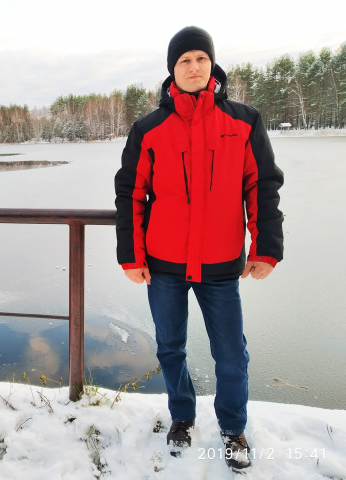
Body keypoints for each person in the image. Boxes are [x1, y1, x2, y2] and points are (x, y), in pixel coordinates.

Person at [114, 26, 284, 471]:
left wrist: (265, 246)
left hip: (222, 264)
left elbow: (261, 185)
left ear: (212, 66)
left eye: (200, 59)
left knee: (231, 354)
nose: (193, 67)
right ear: (172, 69)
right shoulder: (149, 128)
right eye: (184, 60)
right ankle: (182, 418)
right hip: (164, 265)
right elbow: (131, 191)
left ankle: (233, 428)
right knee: (170, 348)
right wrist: (131, 255)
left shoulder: (243, 122)